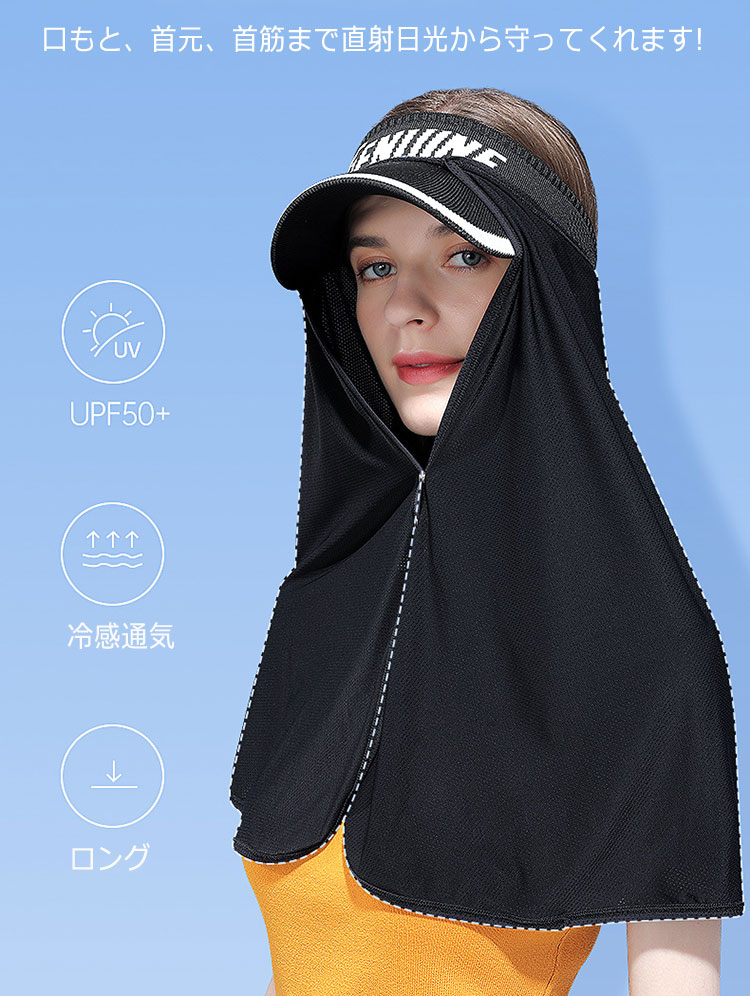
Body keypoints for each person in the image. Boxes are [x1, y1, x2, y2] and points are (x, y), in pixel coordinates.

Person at [230, 88, 741, 996]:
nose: (406, 307)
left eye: (463, 254)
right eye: (374, 267)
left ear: (550, 286)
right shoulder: (322, 600)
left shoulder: (647, 649)